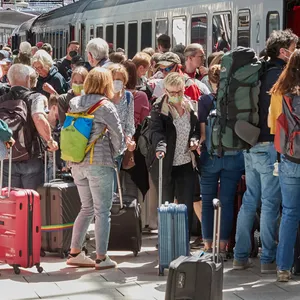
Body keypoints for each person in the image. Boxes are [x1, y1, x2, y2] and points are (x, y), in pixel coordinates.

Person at [234, 29, 298, 276]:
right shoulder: (279, 78)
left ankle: (240, 256)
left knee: (250, 199)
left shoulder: (258, 70)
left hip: (250, 144)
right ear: (283, 51)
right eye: (293, 47)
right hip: (269, 145)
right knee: (271, 202)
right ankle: (268, 259)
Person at [66, 67, 123, 270]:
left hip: (76, 162)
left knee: (86, 208)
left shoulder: (75, 102)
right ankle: (101, 257)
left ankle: (75, 252)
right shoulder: (105, 106)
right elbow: (118, 135)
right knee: (102, 211)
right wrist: (115, 153)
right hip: (99, 162)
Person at [198, 64, 245, 258]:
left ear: (211, 80)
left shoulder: (205, 100)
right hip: (234, 157)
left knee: (207, 201)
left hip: (210, 157)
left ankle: (208, 245)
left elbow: (202, 135)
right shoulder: (237, 101)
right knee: (226, 201)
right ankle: (224, 245)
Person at [148, 72, 200, 235]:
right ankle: (166, 239)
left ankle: (182, 238)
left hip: (186, 162)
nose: (176, 95)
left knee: (186, 204)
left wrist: (194, 139)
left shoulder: (190, 106)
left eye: (179, 92)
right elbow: (156, 131)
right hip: (166, 163)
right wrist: (161, 146)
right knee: (166, 203)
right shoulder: (159, 109)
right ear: (165, 91)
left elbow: (195, 129)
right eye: (172, 93)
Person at [268, 49, 300, 282]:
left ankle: (283, 268)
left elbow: (274, 124)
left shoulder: (280, 91)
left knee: (289, 213)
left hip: (289, 158)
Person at [0, 64, 58, 190]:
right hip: (31, 156)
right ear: (28, 79)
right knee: (32, 200)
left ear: (9, 81)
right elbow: (38, 118)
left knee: (11, 202)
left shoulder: (2, 100)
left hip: (7, 158)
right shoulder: (35, 97)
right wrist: (49, 140)